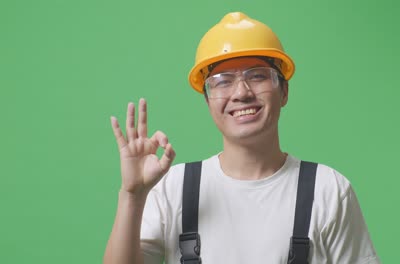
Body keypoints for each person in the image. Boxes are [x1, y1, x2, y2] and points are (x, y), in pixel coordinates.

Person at [104, 12, 380, 264]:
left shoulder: (328, 190)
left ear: (284, 92)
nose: (242, 92)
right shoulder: (173, 189)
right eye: (223, 81)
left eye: (258, 75)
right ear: (208, 102)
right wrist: (132, 195)